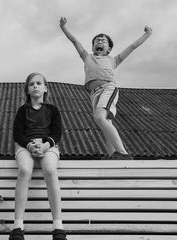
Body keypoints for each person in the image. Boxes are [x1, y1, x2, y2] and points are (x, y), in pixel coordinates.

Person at [60, 17, 152, 159]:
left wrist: (147, 34)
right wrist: (63, 27)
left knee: (99, 117)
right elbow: (74, 41)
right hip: (94, 93)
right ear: (92, 47)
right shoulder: (87, 57)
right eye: (97, 40)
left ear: (109, 48)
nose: (99, 41)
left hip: (108, 88)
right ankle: (112, 155)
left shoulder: (114, 59)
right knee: (105, 123)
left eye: (103, 40)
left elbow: (132, 47)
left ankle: (123, 153)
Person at [6, 73, 68, 240]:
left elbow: (57, 133)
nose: (35, 86)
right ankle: (17, 228)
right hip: (26, 146)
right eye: (31, 84)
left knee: (49, 169)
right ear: (27, 89)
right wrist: (30, 145)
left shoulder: (52, 110)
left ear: (45, 88)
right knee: (25, 170)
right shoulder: (22, 110)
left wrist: (46, 145)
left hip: (47, 145)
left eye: (39, 83)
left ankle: (58, 228)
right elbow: (17, 133)